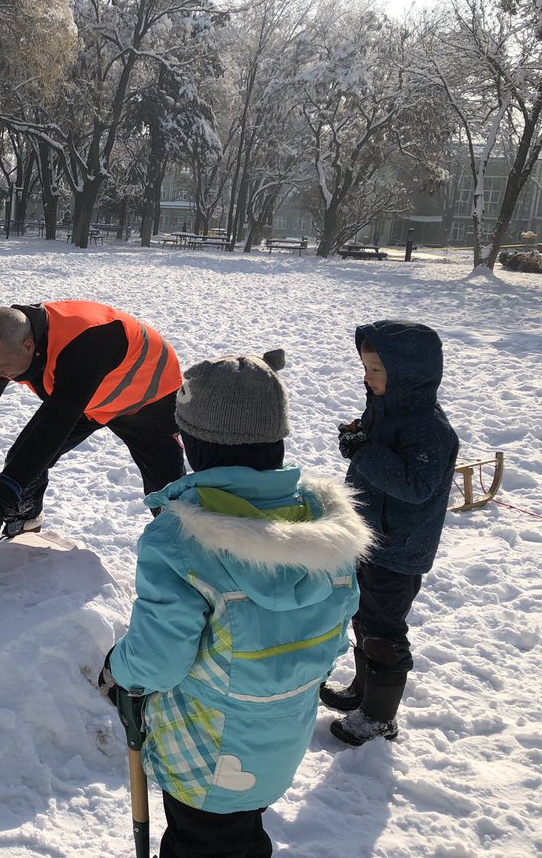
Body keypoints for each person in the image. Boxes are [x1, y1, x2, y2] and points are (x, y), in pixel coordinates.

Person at [99, 349, 372, 857]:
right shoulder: (325, 532)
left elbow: (158, 659)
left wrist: (118, 667)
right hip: (279, 739)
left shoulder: (181, 542)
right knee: (242, 834)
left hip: (201, 753)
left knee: (199, 844)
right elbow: (335, 634)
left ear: (191, 443)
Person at [0, 302, 185, 561]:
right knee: (21, 462)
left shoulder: (88, 343)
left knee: (167, 493)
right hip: (89, 399)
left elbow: (54, 426)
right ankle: (25, 524)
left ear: (29, 346)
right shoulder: (5, 343)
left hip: (149, 400)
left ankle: (189, 553)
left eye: (1, 367)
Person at [320, 321, 459, 745]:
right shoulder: (385, 410)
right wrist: (360, 439)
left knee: (383, 629)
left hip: (399, 550)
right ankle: (363, 692)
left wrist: (364, 450)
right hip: (370, 538)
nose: (367, 377)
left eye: (377, 369)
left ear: (408, 373)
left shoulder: (430, 430)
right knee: (362, 617)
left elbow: (414, 486)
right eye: (365, 367)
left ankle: (380, 717)